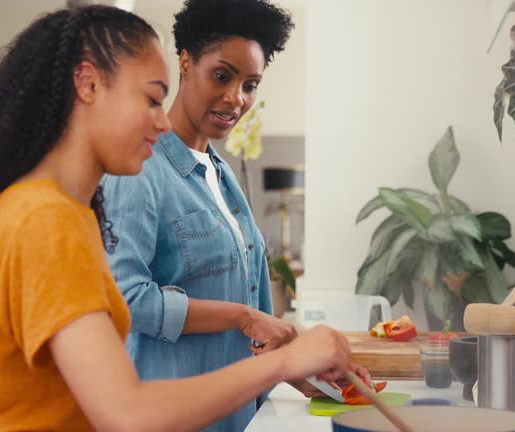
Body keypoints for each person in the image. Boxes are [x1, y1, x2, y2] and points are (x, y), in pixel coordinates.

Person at [0, 6, 352, 431]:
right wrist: (285, 361)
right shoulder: (45, 220)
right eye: (152, 99)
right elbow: (127, 412)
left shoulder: (55, 210)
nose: (161, 121)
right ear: (88, 84)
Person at [100, 1, 372, 430]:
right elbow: (125, 301)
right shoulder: (140, 171)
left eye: (251, 84)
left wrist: (306, 375)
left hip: (238, 419)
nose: (236, 99)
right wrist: (241, 316)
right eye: (222, 76)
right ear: (185, 62)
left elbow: (256, 325)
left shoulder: (222, 176)